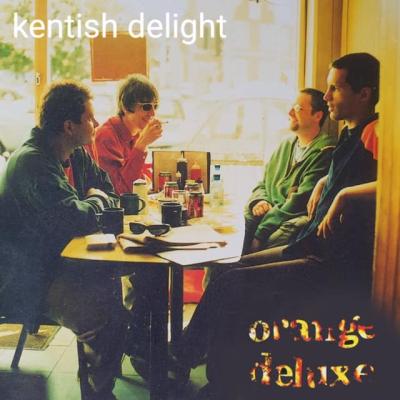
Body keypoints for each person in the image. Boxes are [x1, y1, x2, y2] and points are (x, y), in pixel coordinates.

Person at [173, 52, 379, 396]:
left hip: (331, 261)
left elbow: (394, 184)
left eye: (335, 88)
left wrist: (345, 195)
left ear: (364, 94)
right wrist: (325, 182)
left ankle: (207, 375)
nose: (327, 96)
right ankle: (189, 360)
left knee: (231, 284)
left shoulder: (374, 131)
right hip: (310, 244)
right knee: (226, 270)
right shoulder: (349, 134)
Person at [0, 81, 127, 400]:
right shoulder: (31, 162)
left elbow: (107, 190)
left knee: (119, 292)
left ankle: (116, 365)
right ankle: (99, 392)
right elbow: (78, 217)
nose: (96, 123)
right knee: (109, 314)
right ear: (69, 126)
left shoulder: (74, 154)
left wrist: (94, 201)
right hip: (28, 281)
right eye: (90, 118)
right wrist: (96, 202)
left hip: (61, 264)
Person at [243, 88, 335, 254]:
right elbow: (263, 183)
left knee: (265, 245)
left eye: (298, 108)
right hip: (268, 212)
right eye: (292, 107)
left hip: (287, 218)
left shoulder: (325, 151)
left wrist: (260, 234)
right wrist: (259, 200)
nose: (290, 112)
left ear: (317, 116)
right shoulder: (285, 145)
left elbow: (299, 201)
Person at [94, 73, 163, 195]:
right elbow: (119, 192)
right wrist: (141, 145)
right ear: (126, 107)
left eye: (155, 106)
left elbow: (142, 180)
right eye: (146, 107)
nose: (153, 113)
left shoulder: (136, 133)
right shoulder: (106, 137)